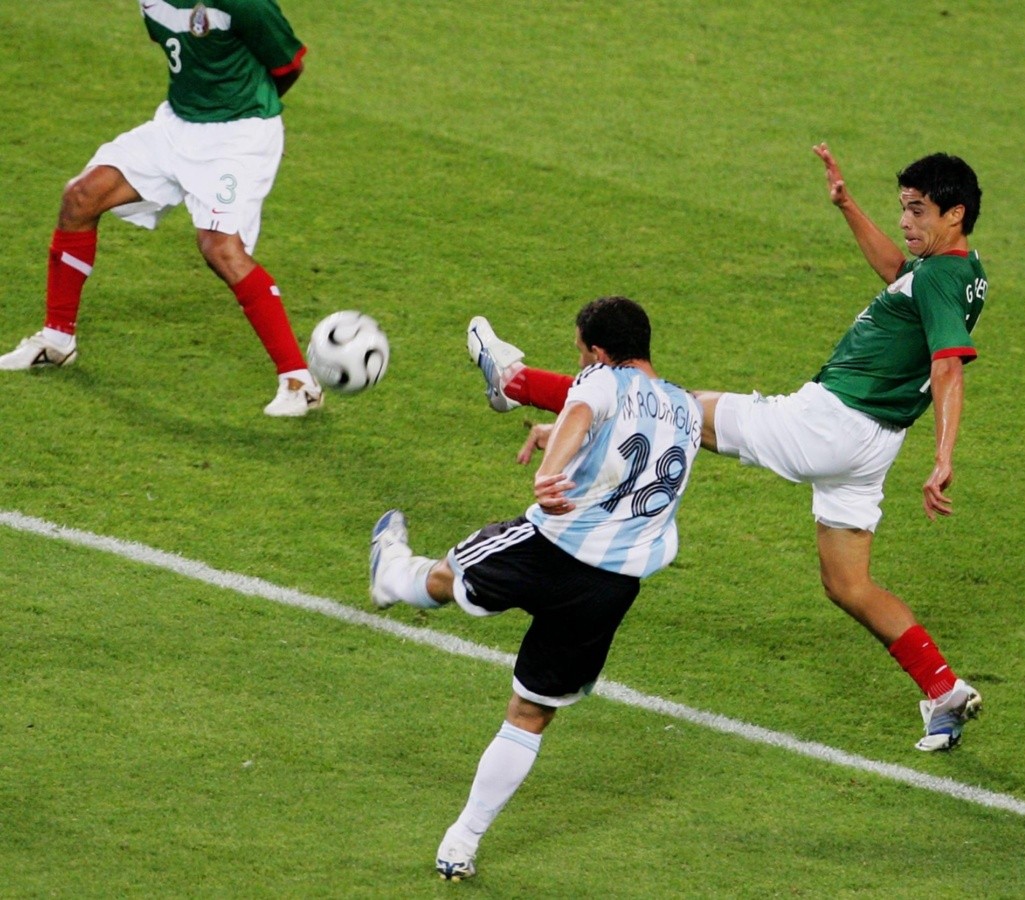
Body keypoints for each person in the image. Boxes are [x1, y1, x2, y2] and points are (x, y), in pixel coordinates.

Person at [466, 144, 988, 752]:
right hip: (873, 444)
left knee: (674, 407)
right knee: (849, 585)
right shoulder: (961, 271)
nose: (905, 221)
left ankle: (514, 382)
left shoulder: (943, 280)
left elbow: (949, 368)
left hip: (828, 422)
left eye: (918, 211)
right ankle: (945, 691)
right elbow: (899, 271)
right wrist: (848, 208)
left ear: (954, 215)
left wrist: (945, 457)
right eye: (902, 208)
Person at [371, 296, 702, 880]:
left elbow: (582, 413)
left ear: (599, 352)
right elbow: (615, 437)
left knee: (450, 577)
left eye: (581, 351)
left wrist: (552, 469)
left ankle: (392, 573)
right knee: (529, 713)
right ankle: (460, 842)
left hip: (550, 548)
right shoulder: (687, 409)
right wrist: (562, 437)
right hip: (612, 584)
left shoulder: (603, 378)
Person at [0, 0, 322, 417]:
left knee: (220, 248)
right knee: (81, 196)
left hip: (237, 142)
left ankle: (300, 381)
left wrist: (237, 104)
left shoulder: (243, 3)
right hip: (175, 128)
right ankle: (56, 340)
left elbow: (288, 65)